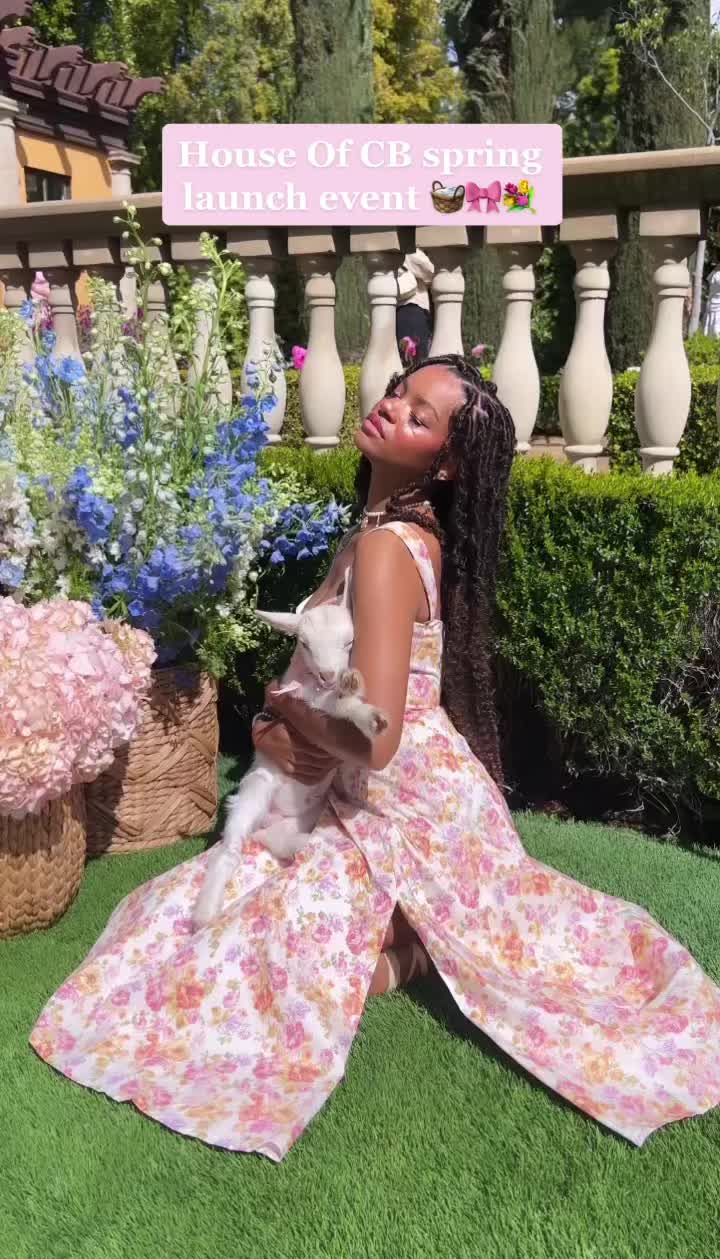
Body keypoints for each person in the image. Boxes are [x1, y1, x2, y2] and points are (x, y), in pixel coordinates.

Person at [29, 354, 720, 1163]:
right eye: (399, 393)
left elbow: (380, 738)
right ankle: (413, 937)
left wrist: (282, 718)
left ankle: (410, 947)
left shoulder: (390, 550)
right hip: (380, 790)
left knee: (258, 942)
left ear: (446, 463)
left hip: (401, 805)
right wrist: (284, 724)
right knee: (199, 909)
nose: (392, 408)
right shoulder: (387, 535)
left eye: (419, 416)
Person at [395, 248, 435, 361]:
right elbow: (432, 271)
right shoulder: (409, 250)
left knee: (404, 356)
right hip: (412, 308)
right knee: (417, 357)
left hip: (396, 309)